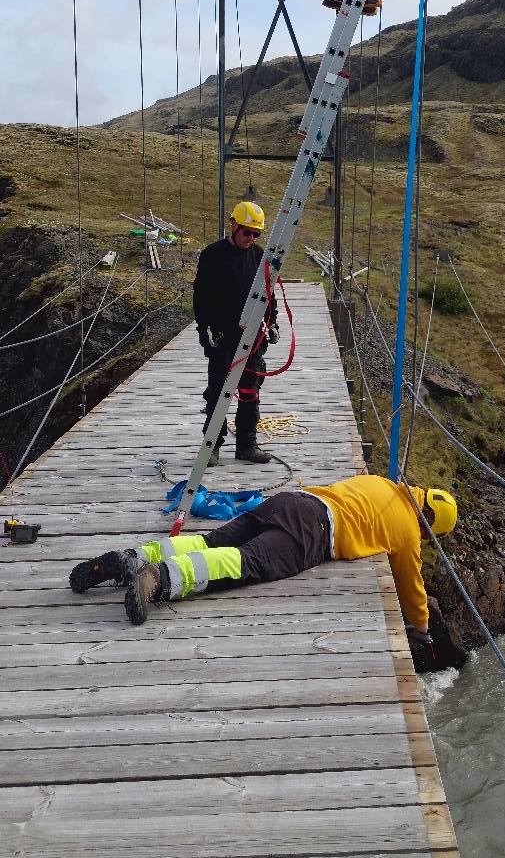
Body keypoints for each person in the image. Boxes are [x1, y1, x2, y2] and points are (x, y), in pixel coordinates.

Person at [68, 474, 459, 668]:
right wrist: (421, 629)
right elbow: (411, 584)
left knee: (210, 541)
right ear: (428, 523)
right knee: (245, 562)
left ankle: (132, 557)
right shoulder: (409, 532)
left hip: (289, 502)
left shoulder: (382, 482)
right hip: (313, 532)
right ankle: (159, 580)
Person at [192, 199, 278, 467]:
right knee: (218, 392)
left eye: (256, 234)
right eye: (247, 232)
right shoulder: (213, 255)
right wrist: (204, 328)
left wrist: (272, 323)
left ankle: (247, 445)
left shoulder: (260, 257)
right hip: (222, 338)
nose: (251, 239)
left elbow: (268, 294)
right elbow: (201, 296)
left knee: (250, 391)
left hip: (252, 338)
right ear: (233, 225)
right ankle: (212, 445)